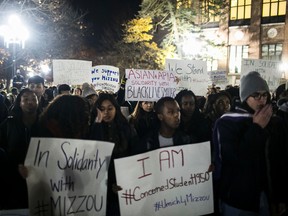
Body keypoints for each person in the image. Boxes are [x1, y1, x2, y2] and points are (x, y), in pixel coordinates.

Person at [213, 71, 288, 216]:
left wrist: (281, 197)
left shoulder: (275, 122)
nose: (262, 100)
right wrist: (256, 128)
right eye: (256, 95)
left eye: (265, 95)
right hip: (238, 199)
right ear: (245, 97)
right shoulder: (227, 122)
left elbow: (280, 162)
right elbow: (233, 160)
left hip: (266, 197)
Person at [89, 92, 138, 216]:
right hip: (99, 188)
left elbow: (134, 156)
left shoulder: (127, 129)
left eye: (110, 108)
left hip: (121, 185)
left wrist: (124, 181)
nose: (106, 113)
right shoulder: (91, 129)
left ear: (116, 109)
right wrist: (97, 125)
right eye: (102, 109)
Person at [0, 88, 39, 209]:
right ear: (19, 102)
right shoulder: (8, 124)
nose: (30, 102)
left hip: (40, 178)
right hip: (14, 179)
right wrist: (16, 166)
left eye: (34, 99)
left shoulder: (45, 123)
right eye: (26, 99)